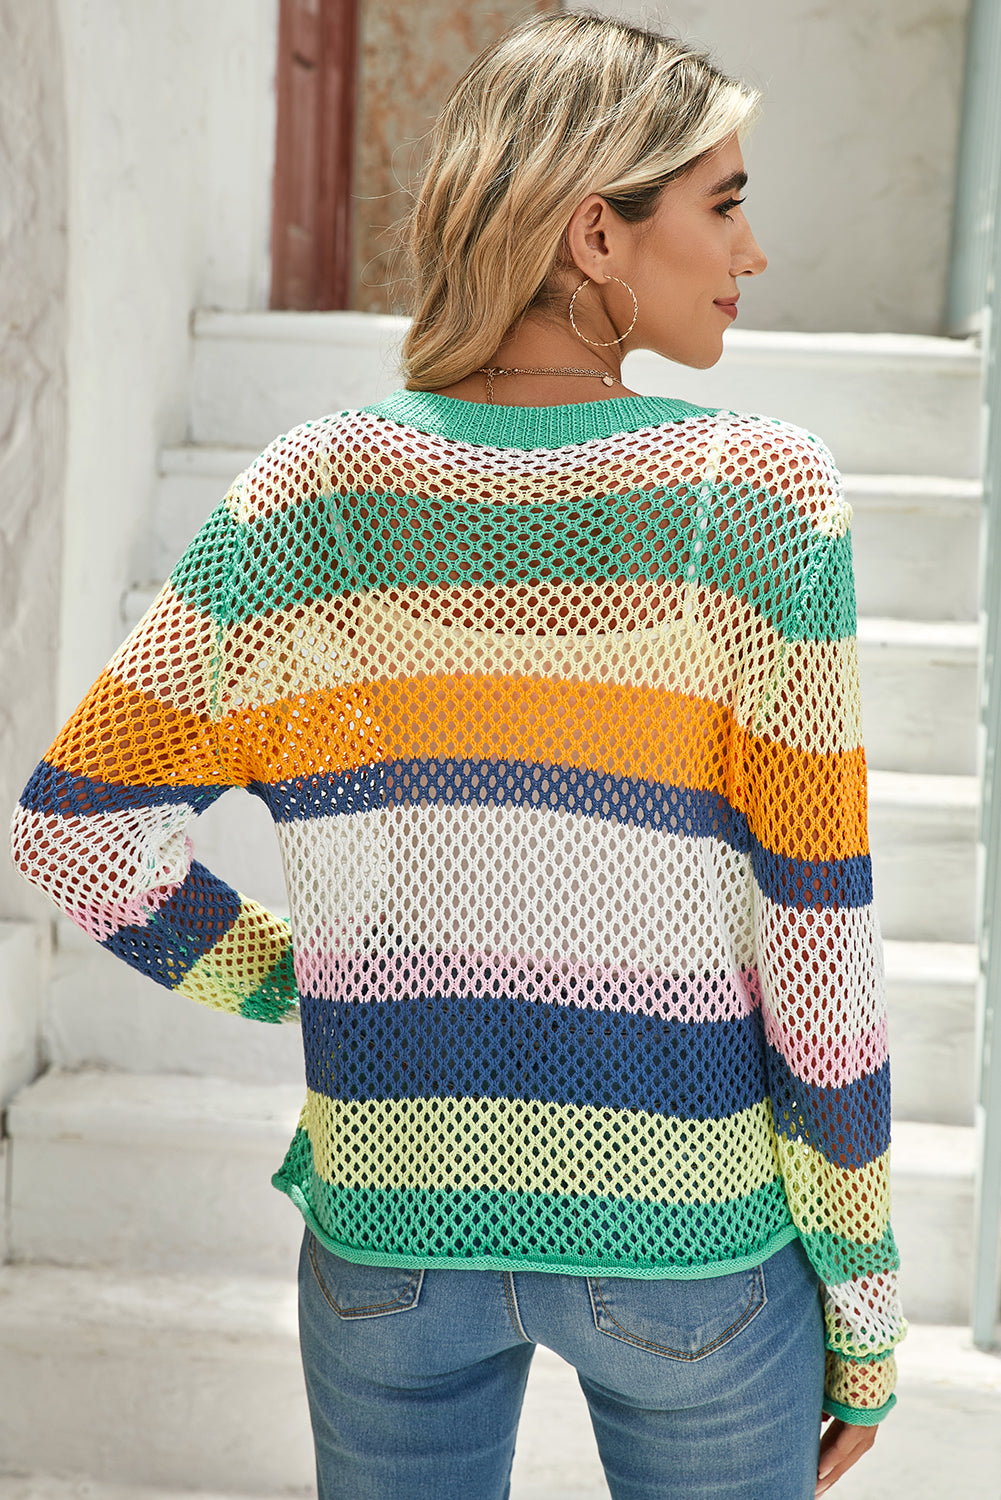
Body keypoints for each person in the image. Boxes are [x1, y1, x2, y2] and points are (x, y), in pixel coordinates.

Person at [11, 12, 904, 1499]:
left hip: (387, 1237)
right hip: (686, 1246)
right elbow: (816, 939)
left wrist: (295, 971)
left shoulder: (311, 490)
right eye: (724, 203)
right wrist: (863, 1308)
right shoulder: (760, 500)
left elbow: (71, 828)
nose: (751, 255)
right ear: (593, 235)